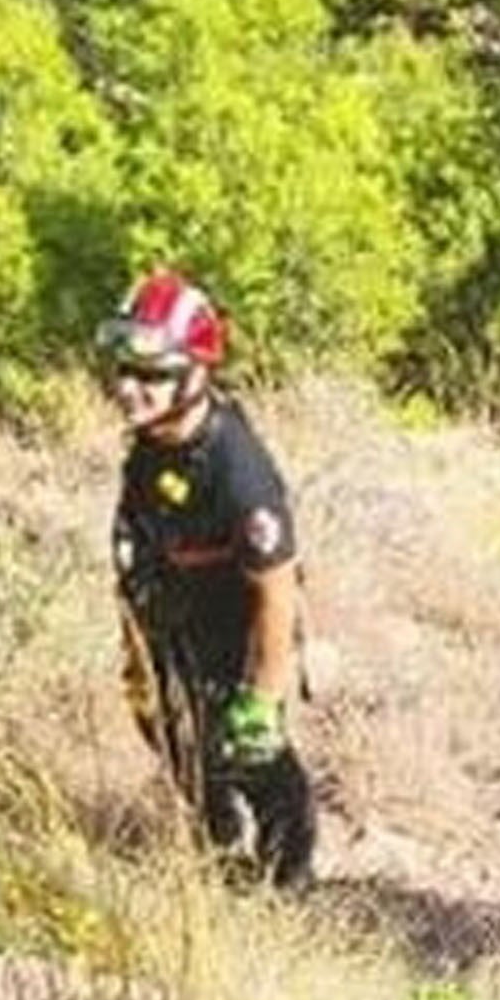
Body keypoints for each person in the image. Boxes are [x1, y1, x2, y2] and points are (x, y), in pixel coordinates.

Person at [102, 269, 316, 888]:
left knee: (249, 752)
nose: (130, 388)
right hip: (170, 613)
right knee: (173, 736)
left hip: (232, 626)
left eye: (151, 374)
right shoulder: (154, 440)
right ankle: (221, 853)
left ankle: (289, 882)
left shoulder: (237, 471)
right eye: (124, 369)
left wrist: (265, 695)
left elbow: (277, 588)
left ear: (196, 374)